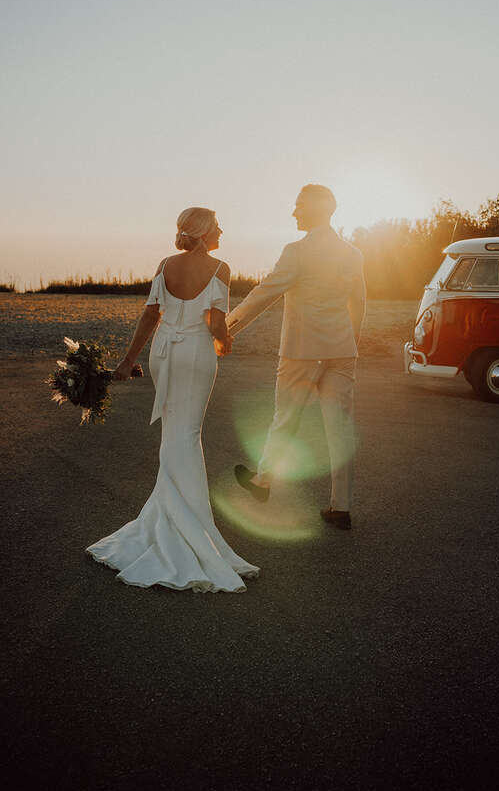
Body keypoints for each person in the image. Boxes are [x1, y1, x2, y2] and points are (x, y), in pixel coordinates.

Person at [86, 207, 259, 592]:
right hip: (195, 352)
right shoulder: (221, 268)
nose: (222, 231)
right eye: (217, 226)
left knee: (174, 432)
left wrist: (128, 360)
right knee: (188, 434)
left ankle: (171, 516)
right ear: (204, 232)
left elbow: (150, 316)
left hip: (164, 351)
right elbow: (216, 323)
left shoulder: (165, 265)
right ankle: (190, 529)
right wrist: (225, 340)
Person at [227, 185, 366, 530]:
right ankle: (341, 508)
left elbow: (264, 294)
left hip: (302, 352)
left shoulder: (297, 251)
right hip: (341, 350)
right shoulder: (352, 253)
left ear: (316, 209)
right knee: (340, 429)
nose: (293, 212)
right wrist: (350, 342)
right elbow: (359, 303)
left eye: (299, 206)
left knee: (285, 418)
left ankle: (263, 481)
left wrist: (227, 327)